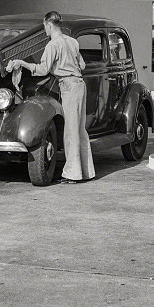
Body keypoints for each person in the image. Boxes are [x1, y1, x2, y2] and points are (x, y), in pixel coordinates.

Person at [7, 12, 94, 184]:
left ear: (48, 24)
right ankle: (86, 171)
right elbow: (82, 65)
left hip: (68, 86)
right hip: (79, 84)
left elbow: (42, 70)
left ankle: (72, 174)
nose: (45, 30)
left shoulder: (53, 45)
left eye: (45, 27)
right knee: (79, 129)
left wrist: (22, 63)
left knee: (70, 130)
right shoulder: (73, 41)